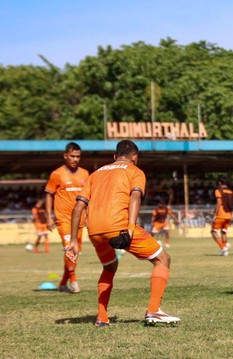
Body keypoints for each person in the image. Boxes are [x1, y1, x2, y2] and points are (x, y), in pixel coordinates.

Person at [65, 140, 180, 327]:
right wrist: (131, 226)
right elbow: (135, 197)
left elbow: (78, 208)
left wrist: (74, 242)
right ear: (135, 157)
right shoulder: (135, 171)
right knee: (163, 259)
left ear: (114, 156)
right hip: (118, 225)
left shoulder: (95, 174)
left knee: (109, 267)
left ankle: (102, 318)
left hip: (94, 230)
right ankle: (153, 310)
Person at [45, 142, 89, 293]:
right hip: (63, 218)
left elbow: (88, 197)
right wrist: (49, 217)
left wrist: (88, 214)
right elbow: (49, 195)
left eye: (78, 156)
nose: (75, 159)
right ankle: (74, 280)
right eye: (72, 156)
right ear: (65, 156)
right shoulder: (57, 174)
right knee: (69, 249)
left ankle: (63, 282)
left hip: (80, 219)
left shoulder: (85, 174)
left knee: (75, 252)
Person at [211, 176, 233, 256]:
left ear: (219, 183)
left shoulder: (218, 191)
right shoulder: (231, 192)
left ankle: (223, 247)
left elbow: (219, 202)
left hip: (220, 215)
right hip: (229, 215)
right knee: (223, 232)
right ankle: (225, 250)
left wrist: (215, 214)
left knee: (213, 231)